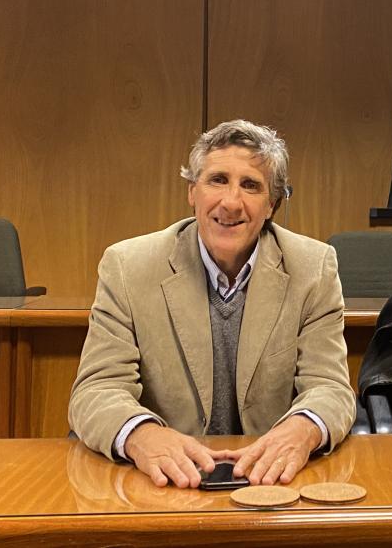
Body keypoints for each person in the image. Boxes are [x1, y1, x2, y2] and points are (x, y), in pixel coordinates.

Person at [69, 119, 355, 488]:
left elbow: (330, 387)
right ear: (192, 192)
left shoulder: (313, 268)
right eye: (217, 180)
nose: (230, 202)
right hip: (166, 483)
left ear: (272, 204)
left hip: (270, 485)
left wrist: (303, 429)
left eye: (250, 185)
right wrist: (142, 436)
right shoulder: (128, 267)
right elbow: (96, 389)